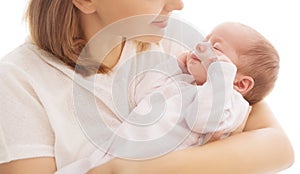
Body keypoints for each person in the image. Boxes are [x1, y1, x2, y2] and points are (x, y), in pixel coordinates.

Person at [0, 1, 294, 174]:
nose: (177, 4)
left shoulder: (167, 38)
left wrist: (127, 169)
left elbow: (279, 148)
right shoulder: (18, 82)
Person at [54, 22, 279, 173]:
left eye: (215, 48)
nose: (201, 47)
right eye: (205, 40)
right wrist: (175, 68)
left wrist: (219, 77)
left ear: (240, 83)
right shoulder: (184, 83)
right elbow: (143, 93)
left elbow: (201, 120)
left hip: (146, 166)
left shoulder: (230, 102)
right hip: (109, 152)